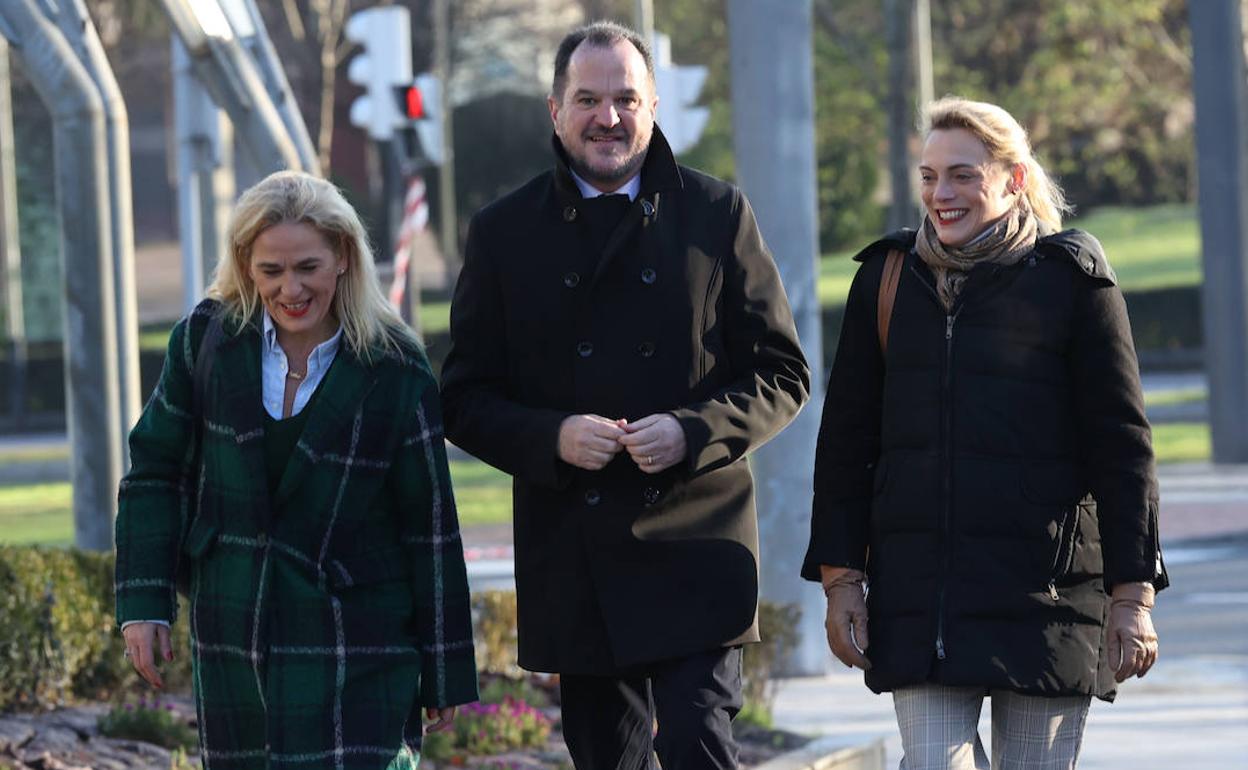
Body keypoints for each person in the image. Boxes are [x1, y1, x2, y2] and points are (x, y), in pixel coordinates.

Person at [440, 20, 810, 770]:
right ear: (554, 110)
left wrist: (692, 431)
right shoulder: (502, 232)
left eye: (625, 99)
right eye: (588, 99)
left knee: (704, 749)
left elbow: (782, 373)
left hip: (698, 543)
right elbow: (463, 396)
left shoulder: (717, 214)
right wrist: (552, 438)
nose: (607, 117)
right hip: (574, 554)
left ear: (653, 105)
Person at [803, 96, 1167, 769]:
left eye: (963, 174)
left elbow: (1123, 449)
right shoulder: (885, 280)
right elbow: (846, 443)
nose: (942, 194)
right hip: (919, 604)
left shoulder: (1074, 284)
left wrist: (1132, 594)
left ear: (1013, 179)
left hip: (1047, 600)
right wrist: (841, 579)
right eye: (929, 175)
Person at [115, 170, 477, 769]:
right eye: (271, 271)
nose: (290, 290)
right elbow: (155, 472)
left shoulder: (394, 364)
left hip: (360, 641)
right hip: (233, 629)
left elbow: (429, 527)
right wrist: (143, 602)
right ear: (244, 265)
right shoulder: (204, 340)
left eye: (307, 267)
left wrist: (444, 670)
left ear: (342, 257)